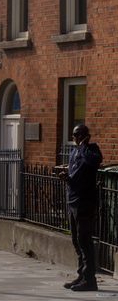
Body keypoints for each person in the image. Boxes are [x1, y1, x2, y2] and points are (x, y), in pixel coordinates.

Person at [59, 123, 103, 292]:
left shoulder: (92, 150)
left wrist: (84, 145)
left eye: (77, 135)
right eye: (74, 135)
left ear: (85, 136)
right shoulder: (74, 151)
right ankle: (82, 275)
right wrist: (66, 176)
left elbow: (94, 161)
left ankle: (90, 280)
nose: (74, 139)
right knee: (76, 241)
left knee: (85, 241)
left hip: (85, 202)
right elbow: (75, 173)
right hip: (73, 201)